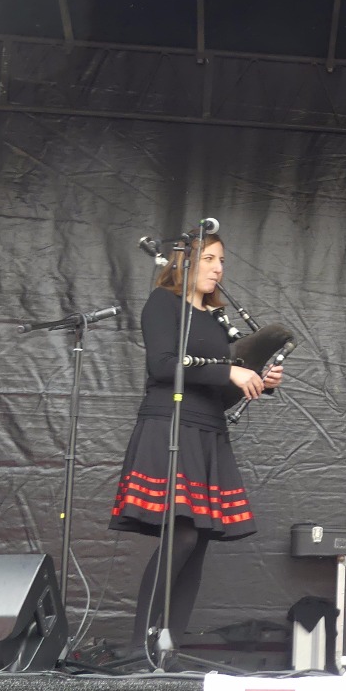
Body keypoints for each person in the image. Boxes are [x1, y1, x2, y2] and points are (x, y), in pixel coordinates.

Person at [109, 234, 281, 647]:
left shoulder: (218, 320)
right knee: (183, 535)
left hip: (208, 429)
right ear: (183, 262)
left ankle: (169, 646)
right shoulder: (163, 303)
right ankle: (140, 645)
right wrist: (230, 371)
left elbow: (218, 393)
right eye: (209, 258)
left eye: (221, 260)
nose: (218, 268)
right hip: (171, 426)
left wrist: (257, 381)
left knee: (198, 539)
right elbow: (162, 365)